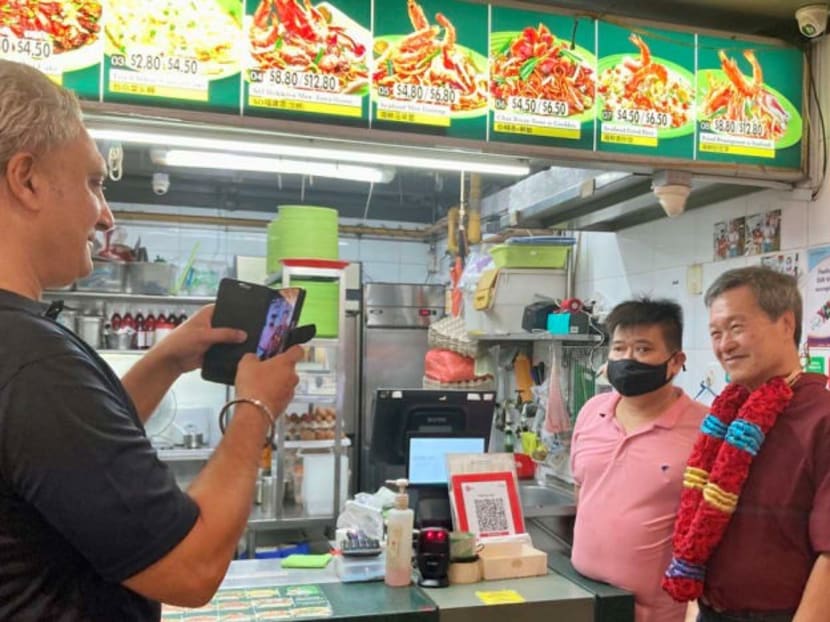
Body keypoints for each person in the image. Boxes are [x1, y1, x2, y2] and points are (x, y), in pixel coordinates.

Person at [0, 59, 303, 620]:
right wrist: (256, 408)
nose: (106, 215)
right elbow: (189, 570)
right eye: (93, 182)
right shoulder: (35, 363)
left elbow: (60, 464)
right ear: (27, 180)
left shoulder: (23, 356)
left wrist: (166, 360)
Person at [663, 266, 830, 622]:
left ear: (786, 324)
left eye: (737, 328)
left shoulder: (821, 418)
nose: (725, 344)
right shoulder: (725, 417)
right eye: (716, 332)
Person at [570, 298, 707, 622]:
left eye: (643, 349)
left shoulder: (705, 429)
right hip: (585, 597)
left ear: (675, 362)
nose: (627, 359)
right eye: (619, 348)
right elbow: (582, 491)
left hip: (657, 611)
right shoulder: (592, 412)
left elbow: (710, 526)